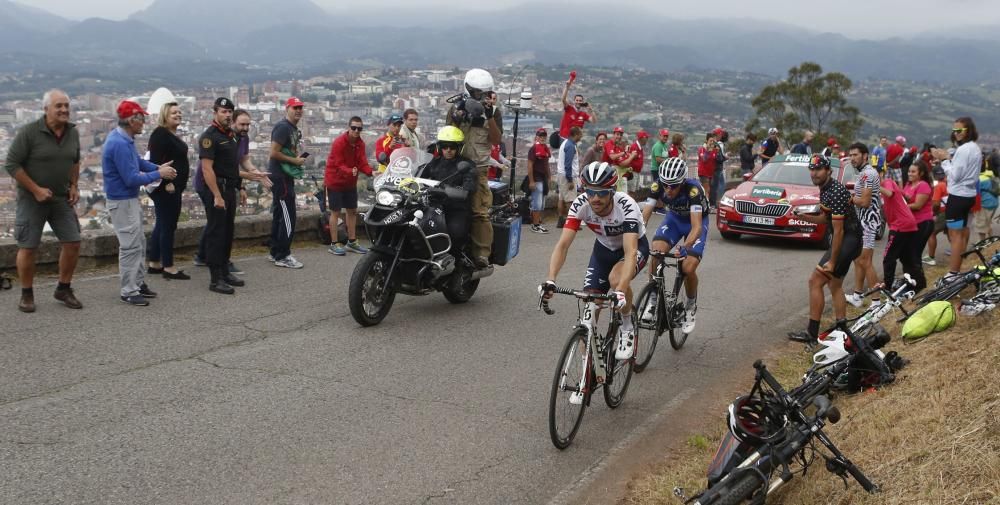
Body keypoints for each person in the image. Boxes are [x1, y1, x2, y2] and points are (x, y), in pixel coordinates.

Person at [540, 161, 649, 373]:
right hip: (603, 250)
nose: (595, 198)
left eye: (601, 193)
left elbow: (630, 252)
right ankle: (586, 372)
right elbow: (562, 245)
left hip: (632, 248)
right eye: (590, 192)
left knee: (617, 280)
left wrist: (619, 292)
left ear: (612, 191)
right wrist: (551, 279)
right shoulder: (580, 204)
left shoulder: (626, 206)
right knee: (590, 308)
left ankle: (627, 326)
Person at [4, 89, 83, 313]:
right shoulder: (29, 132)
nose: (64, 110)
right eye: (59, 106)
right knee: (28, 247)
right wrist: (36, 189)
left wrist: (75, 185)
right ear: (45, 109)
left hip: (60, 196)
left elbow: (75, 160)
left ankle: (63, 288)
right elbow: (11, 164)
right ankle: (27, 293)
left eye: (67, 105)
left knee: (73, 242)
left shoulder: (73, 133)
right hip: (31, 198)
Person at [102, 100, 176, 305]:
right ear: (131, 120)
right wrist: (158, 173)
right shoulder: (119, 143)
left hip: (127, 199)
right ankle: (129, 290)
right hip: (122, 201)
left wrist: (157, 167)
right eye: (141, 118)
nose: (144, 122)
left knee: (138, 242)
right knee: (130, 246)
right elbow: (132, 178)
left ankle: (138, 283)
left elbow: (138, 162)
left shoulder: (123, 139)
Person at [787, 155, 862, 343]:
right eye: (811, 169)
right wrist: (804, 216)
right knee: (834, 285)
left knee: (815, 282)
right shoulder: (826, 188)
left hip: (848, 239)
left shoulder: (835, 191)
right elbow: (825, 219)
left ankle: (812, 333)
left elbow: (838, 232)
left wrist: (833, 260)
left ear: (828, 171)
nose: (814, 173)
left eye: (818, 169)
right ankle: (842, 329)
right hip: (851, 238)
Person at [193, 109, 271, 273]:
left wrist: (253, 174)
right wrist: (249, 177)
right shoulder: (225, 137)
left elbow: (243, 160)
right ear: (233, 122)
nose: (245, 128)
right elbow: (223, 168)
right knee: (218, 223)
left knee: (216, 221)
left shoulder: (243, 138)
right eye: (242, 124)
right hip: (208, 183)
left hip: (226, 183)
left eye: (248, 124)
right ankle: (220, 263)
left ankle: (203, 256)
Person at [639, 158, 708, 332]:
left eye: (674, 186)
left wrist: (686, 247)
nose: (668, 189)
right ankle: (653, 299)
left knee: (688, 267)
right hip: (674, 219)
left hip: (695, 223)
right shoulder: (657, 186)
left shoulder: (693, 190)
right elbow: (644, 216)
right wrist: (636, 237)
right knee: (655, 253)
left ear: (682, 182)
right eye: (665, 185)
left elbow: (697, 226)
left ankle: (690, 306)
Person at [447, 68, 501, 269]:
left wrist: (489, 116)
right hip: (454, 166)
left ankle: (481, 254)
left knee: (479, 211)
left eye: (484, 92)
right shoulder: (456, 107)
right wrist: (457, 114)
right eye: (477, 91)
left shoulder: (494, 112)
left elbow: (496, 140)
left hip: (478, 167)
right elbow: (447, 132)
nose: (481, 95)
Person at [198, 97, 246, 294]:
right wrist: (217, 195)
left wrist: (240, 187)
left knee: (227, 232)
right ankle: (215, 278)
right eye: (223, 111)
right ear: (215, 112)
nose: (227, 115)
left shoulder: (232, 136)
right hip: (216, 190)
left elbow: (233, 165)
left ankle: (225, 271)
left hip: (229, 189)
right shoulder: (209, 137)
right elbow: (207, 169)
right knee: (216, 234)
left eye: (229, 112)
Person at [931, 117, 982, 279]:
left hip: (958, 196)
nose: (956, 133)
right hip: (969, 195)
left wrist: (944, 160)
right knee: (961, 233)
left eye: (960, 130)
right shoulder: (975, 148)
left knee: (955, 236)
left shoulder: (963, 150)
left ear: (969, 131)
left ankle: (953, 273)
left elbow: (955, 176)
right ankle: (956, 269)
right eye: (954, 130)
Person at [414, 126, 478, 253]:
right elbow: (418, 178)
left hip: (455, 208)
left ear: (459, 148)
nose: (448, 150)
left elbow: (469, 187)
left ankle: (456, 262)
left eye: (452, 147)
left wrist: (455, 191)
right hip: (432, 207)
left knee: (455, 233)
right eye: (444, 146)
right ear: (439, 147)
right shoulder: (434, 163)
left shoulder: (467, 165)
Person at [146, 101, 190, 280]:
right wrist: (166, 184)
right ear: (165, 115)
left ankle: (155, 262)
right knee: (168, 226)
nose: (178, 115)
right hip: (167, 189)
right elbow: (155, 164)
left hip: (173, 188)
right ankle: (169, 266)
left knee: (162, 224)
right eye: (174, 113)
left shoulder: (170, 134)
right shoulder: (160, 134)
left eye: (179, 112)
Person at [324, 116, 373, 256]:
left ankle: (352, 241)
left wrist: (371, 172)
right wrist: (350, 170)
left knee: (352, 211)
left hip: (350, 182)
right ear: (348, 128)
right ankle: (334, 243)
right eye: (354, 128)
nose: (356, 131)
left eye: (359, 128)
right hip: (335, 181)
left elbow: (362, 162)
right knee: (335, 212)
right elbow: (338, 164)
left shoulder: (360, 144)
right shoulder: (339, 143)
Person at [268, 97, 307, 269]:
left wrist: (295, 159)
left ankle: (275, 251)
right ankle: (283, 255)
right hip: (281, 176)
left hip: (283, 176)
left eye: (300, 107)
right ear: (287, 108)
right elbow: (273, 153)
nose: (298, 110)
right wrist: (294, 162)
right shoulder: (283, 127)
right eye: (295, 107)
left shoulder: (292, 128)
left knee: (278, 214)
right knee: (288, 215)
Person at [844, 142, 883, 309]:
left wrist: (850, 198)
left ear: (865, 156)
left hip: (867, 222)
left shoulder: (867, 174)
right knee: (859, 260)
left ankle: (876, 302)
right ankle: (858, 296)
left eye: (855, 155)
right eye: (851, 155)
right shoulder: (864, 173)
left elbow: (865, 202)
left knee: (865, 261)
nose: (852, 158)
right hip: (863, 222)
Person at [880, 175, 925, 293]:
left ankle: (888, 287)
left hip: (900, 224)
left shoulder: (887, 182)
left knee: (888, 257)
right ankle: (919, 283)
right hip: (908, 223)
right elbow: (906, 196)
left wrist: (874, 186)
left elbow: (890, 193)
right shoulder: (889, 183)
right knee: (906, 258)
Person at [903, 159, 935, 267]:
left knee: (915, 254)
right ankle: (912, 278)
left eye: (913, 172)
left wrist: (902, 207)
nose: (909, 174)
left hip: (923, 223)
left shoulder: (923, 185)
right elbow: (906, 198)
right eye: (909, 171)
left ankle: (918, 280)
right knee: (909, 253)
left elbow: (917, 205)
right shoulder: (908, 184)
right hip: (913, 223)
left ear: (921, 173)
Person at [556, 126, 583, 228]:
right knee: (570, 200)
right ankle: (571, 223)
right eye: (580, 134)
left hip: (561, 174)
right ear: (576, 135)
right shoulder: (570, 146)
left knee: (562, 198)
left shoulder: (566, 143)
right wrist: (570, 180)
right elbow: (568, 164)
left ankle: (561, 220)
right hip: (567, 175)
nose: (581, 136)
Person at [527, 128, 551, 233]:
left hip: (543, 178)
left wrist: (549, 177)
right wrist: (531, 181)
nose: (542, 138)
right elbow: (529, 165)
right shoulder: (533, 149)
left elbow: (546, 165)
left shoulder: (544, 148)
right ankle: (535, 225)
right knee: (537, 203)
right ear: (536, 137)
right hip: (536, 178)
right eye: (540, 136)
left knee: (541, 203)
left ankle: (537, 223)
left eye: (544, 136)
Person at [925, 166, 948, 266]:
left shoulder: (938, 186)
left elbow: (936, 203)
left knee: (931, 233)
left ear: (933, 175)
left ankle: (931, 257)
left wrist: (934, 214)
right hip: (951, 211)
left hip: (942, 213)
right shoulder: (948, 183)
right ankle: (959, 253)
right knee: (951, 234)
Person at [974, 160, 998, 241]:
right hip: (994, 203)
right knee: (987, 223)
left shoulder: (978, 179)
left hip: (985, 205)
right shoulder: (990, 174)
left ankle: (982, 243)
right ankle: (992, 240)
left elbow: (976, 195)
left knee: (981, 227)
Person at [603, 127, 629, 193]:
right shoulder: (609, 143)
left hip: (609, 171)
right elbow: (612, 157)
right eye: (617, 134)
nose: (619, 136)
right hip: (605, 171)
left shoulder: (616, 146)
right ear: (613, 134)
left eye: (620, 135)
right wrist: (624, 152)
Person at [710, 128, 728, 209]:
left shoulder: (714, 143)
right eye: (720, 134)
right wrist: (725, 158)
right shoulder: (717, 144)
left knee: (718, 186)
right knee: (717, 186)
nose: (721, 136)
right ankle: (716, 203)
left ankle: (716, 202)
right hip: (717, 168)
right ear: (718, 135)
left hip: (715, 168)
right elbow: (718, 157)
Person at [697, 132, 718, 200]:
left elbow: (716, 159)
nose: (712, 142)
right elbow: (704, 159)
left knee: (709, 191)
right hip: (703, 173)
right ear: (706, 141)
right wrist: (708, 151)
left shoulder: (714, 150)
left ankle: (708, 204)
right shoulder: (702, 149)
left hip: (710, 174)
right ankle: (706, 207)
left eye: (713, 141)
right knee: (706, 190)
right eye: (710, 141)